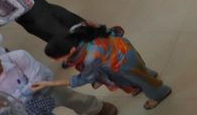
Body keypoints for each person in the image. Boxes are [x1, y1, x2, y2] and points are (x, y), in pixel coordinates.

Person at [0, 47, 117, 115]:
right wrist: (21, 96)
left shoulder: (17, 57)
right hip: (19, 111)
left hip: (42, 91)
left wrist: (13, 99)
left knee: (69, 97)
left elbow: (38, 79)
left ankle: (97, 107)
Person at [41, 23, 170, 110]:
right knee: (139, 70)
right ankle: (147, 75)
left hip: (120, 64)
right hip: (122, 47)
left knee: (139, 78)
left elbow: (85, 78)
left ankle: (159, 93)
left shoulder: (90, 58)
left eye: (56, 57)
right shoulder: (77, 29)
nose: (54, 60)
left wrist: (52, 83)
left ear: (71, 50)